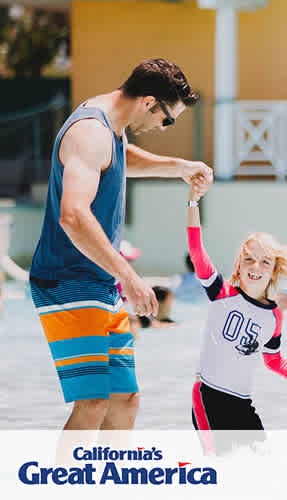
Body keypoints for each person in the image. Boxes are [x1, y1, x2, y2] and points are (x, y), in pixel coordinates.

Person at [28, 59, 212, 432]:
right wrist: (128, 276)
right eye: (168, 119)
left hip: (98, 280)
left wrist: (179, 166)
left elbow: (115, 159)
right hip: (68, 279)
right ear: (148, 102)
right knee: (93, 403)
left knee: (124, 401)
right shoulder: (90, 132)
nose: (164, 127)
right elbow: (73, 217)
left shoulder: (109, 123)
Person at [186, 182, 287, 455]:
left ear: (274, 271)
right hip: (208, 397)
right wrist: (193, 202)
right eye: (249, 259)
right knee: (219, 465)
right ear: (238, 265)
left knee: (261, 465)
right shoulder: (222, 293)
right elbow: (196, 251)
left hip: (243, 405)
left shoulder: (274, 316)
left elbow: (275, 362)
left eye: (265, 261)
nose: (256, 266)